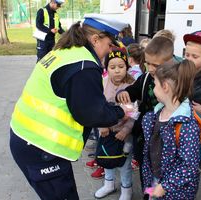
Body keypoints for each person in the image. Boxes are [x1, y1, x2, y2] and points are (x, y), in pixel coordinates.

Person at [9, 14, 129, 200]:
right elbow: (91, 114)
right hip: (41, 148)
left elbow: (81, 100)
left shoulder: (69, 52)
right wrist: (122, 111)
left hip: (28, 138)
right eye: (110, 44)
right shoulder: (84, 66)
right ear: (96, 39)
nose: (110, 50)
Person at [116, 36, 174, 199]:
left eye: (156, 65)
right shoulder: (146, 77)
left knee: (163, 177)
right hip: (143, 137)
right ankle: (147, 195)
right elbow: (133, 89)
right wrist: (124, 93)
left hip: (165, 141)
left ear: (169, 61)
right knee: (146, 171)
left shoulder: (176, 81)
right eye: (147, 63)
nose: (150, 68)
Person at [141, 59, 200, 200]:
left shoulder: (187, 125)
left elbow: (189, 166)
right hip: (154, 179)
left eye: (155, 84)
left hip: (175, 191)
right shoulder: (156, 115)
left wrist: (165, 186)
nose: (153, 88)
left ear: (165, 87)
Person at [94, 47, 135, 199]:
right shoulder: (102, 83)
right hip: (106, 131)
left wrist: (126, 130)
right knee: (106, 159)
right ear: (107, 69)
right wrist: (101, 125)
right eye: (112, 67)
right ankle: (108, 184)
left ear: (127, 66)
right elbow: (96, 107)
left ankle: (126, 189)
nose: (117, 71)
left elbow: (134, 112)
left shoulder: (132, 85)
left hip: (124, 134)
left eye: (121, 66)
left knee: (124, 164)